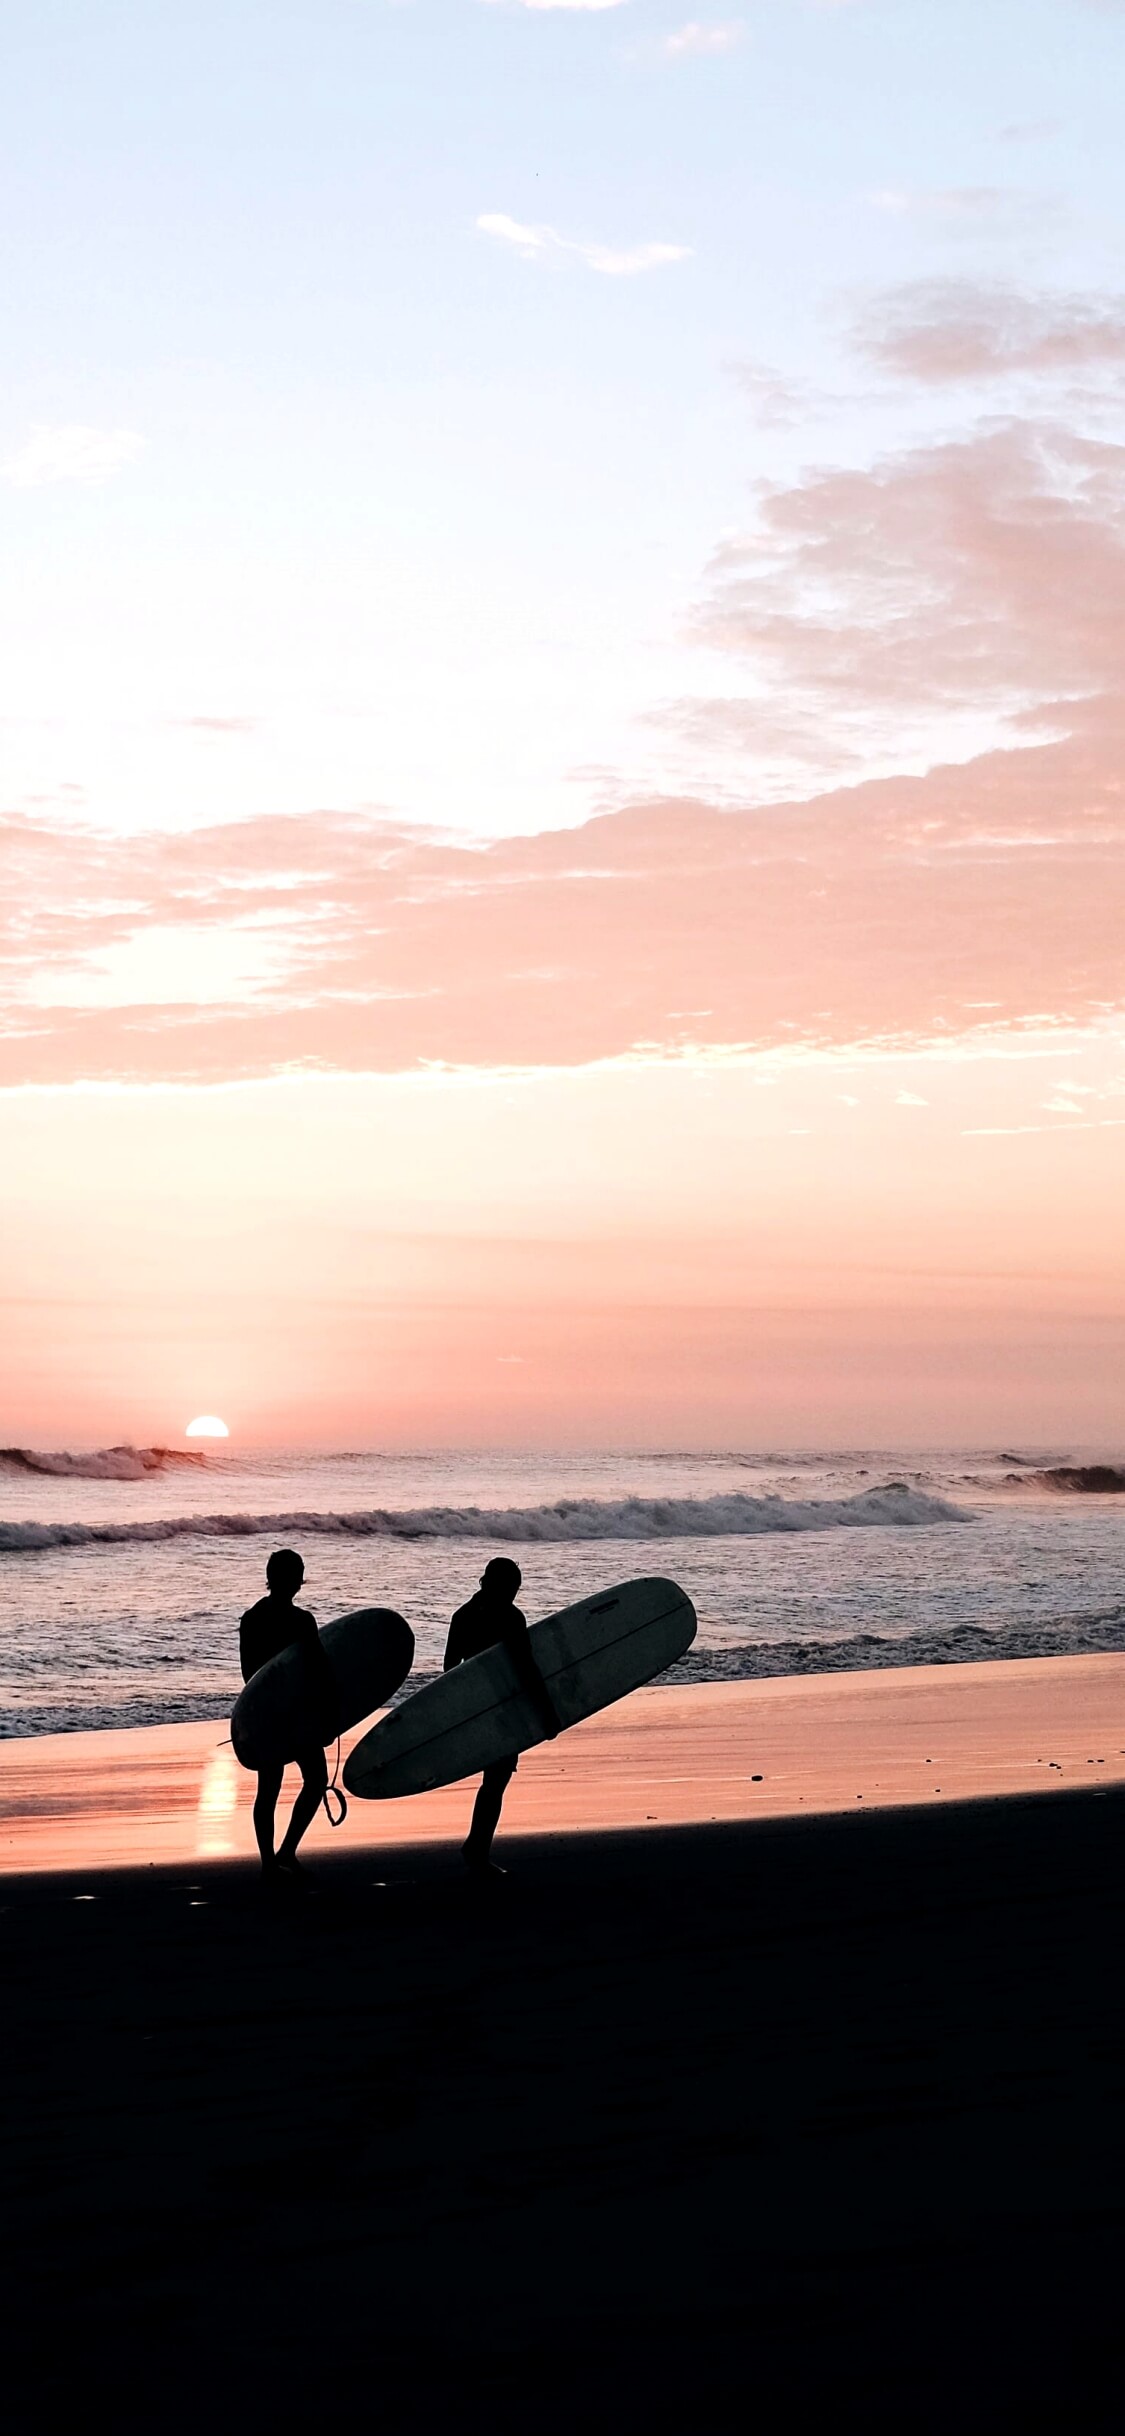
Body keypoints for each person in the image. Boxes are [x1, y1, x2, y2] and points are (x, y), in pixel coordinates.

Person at [443, 1556, 559, 1876]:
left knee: (494, 1780)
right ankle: (477, 1849)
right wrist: (547, 1713)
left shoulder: (462, 1616)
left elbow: (449, 1670)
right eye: (512, 1587)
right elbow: (527, 1668)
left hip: (478, 1707)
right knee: (496, 1780)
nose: (515, 1594)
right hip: (503, 1707)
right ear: (494, 1584)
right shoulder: (510, 1616)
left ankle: (477, 1846)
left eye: (517, 1589)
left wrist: (456, 1714)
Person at [239, 1547, 332, 1878]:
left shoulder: (255, 1618)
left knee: (293, 1783)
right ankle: (276, 1857)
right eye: (295, 1575)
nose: (297, 1582)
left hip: (277, 1714)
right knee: (290, 1784)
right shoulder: (298, 1621)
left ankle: (279, 1856)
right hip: (290, 1715)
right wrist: (326, 1713)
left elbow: (249, 1674)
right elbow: (319, 1671)